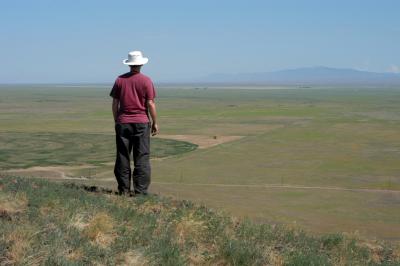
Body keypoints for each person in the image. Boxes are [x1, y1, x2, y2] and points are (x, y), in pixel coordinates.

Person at [109, 51, 158, 196]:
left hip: (123, 123)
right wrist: (155, 122)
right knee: (141, 157)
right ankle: (140, 192)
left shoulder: (120, 80)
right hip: (142, 123)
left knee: (123, 156)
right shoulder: (146, 80)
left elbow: (115, 103)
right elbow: (150, 103)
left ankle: (124, 191)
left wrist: (117, 120)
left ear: (129, 64)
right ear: (141, 63)